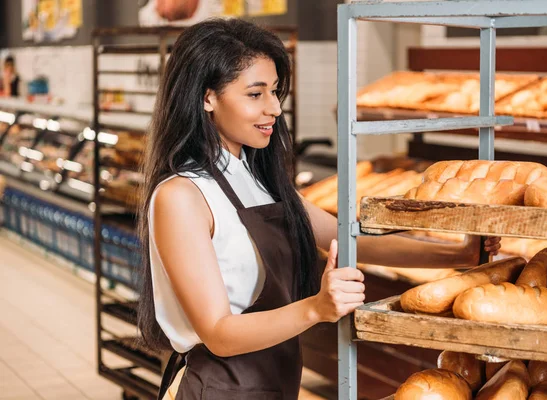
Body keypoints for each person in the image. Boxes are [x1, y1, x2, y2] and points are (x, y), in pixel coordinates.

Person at [138, 19, 501, 400]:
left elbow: (356, 241)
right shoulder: (182, 195)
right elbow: (219, 333)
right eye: (255, 94)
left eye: (275, 92)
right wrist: (315, 308)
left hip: (274, 388)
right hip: (215, 389)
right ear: (207, 97)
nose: (275, 108)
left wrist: (460, 253)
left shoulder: (259, 180)